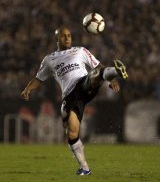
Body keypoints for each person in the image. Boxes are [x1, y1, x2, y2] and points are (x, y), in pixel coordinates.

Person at [21, 26, 128, 175]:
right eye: (63, 36)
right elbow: (39, 79)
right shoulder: (49, 59)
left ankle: (116, 70)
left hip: (83, 84)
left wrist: (112, 77)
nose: (67, 38)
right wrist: (28, 89)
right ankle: (85, 168)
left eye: (69, 35)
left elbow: (98, 66)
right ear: (56, 39)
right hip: (70, 96)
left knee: (95, 73)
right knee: (71, 133)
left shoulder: (80, 50)